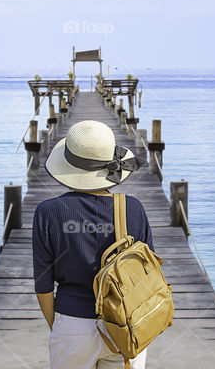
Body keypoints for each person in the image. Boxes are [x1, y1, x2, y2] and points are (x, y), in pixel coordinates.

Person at [32, 120, 152, 369]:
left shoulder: (48, 212)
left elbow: (43, 285)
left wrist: (61, 328)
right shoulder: (133, 208)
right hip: (124, 323)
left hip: (72, 322)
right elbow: (147, 274)